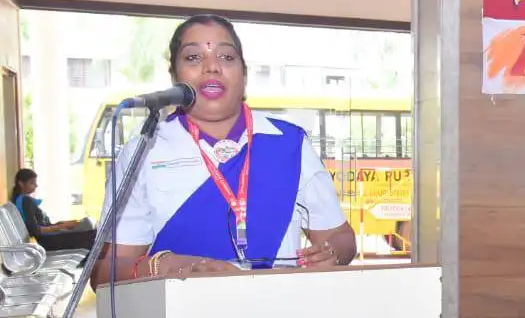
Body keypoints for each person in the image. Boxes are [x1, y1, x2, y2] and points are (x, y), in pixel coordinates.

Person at [90, 14, 356, 289]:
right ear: (174, 76)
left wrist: (332, 253)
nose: (211, 67)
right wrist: (166, 266)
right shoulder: (144, 151)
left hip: (278, 314)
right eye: (193, 58)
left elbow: (341, 237)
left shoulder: (289, 144)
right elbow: (103, 273)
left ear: (244, 76)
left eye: (226, 57)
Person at [10, 168, 97, 253]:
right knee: (91, 232)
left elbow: (41, 225)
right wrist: (62, 227)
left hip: (48, 239)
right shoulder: (25, 201)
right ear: (21, 184)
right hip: (50, 241)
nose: (36, 185)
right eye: (32, 183)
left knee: (87, 226)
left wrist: (63, 224)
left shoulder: (19, 200)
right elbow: (35, 230)